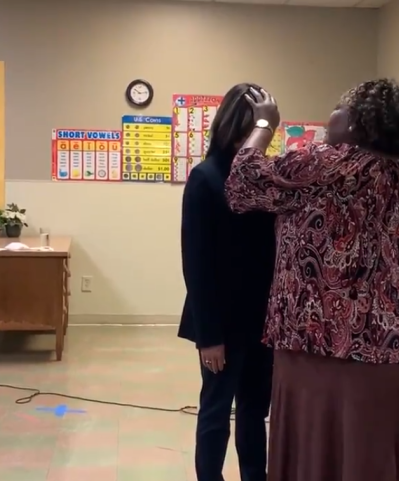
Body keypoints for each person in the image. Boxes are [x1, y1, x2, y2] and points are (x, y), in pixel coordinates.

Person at [224, 79, 399, 481]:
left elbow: (242, 184)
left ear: (359, 122)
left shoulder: (325, 163)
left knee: (330, 451)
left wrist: (264, 125)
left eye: (340, 105)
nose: (333, 113)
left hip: (327, 352)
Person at [177, 83, 276, 481]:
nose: (249, 142)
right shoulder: (205, 178)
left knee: (255, 410)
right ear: (229, 128)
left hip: (262, 320)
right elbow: (196, 264)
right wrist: (209, 335)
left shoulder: (264, 177)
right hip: (220, 322)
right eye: (244, 131)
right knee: (216, 410)